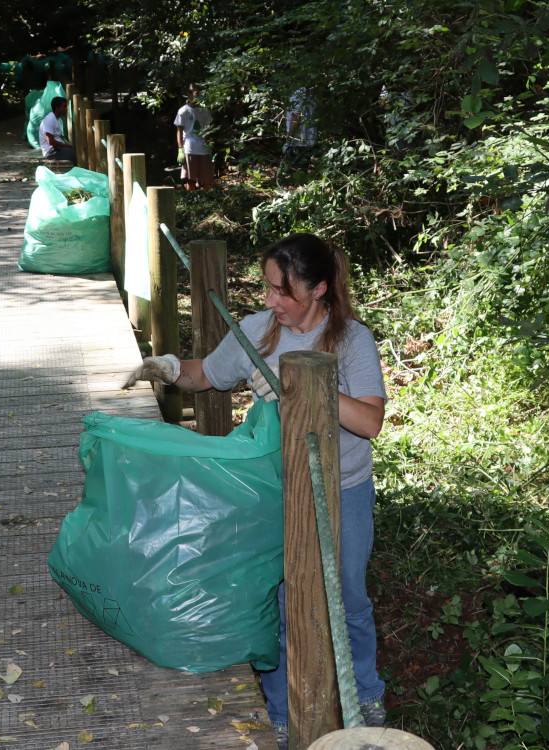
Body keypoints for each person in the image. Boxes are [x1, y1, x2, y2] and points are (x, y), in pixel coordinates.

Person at [123, 233, 387, 750]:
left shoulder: (353, 340)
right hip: (274, 490)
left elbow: (371, 421)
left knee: (349, 597)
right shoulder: (257, 332)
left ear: (319, 290)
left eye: (281, 292)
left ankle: (366, 696)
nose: (270, 301)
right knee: (280, 597)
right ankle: (282, 706)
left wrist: (303, 388)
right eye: (267, 288)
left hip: (344, 489)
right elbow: (208, 375)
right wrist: (171, 369)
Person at [174, 86, 214, 190]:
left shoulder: (205, 111)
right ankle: (191, 200)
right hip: (190, 148)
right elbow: (179, 131)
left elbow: (208, 130)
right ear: (190, 94)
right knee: (190, 180)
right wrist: (180, 149)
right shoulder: (183, 111)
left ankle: (204, 201)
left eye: (200, 94)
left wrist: (210, 146)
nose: (199, 96)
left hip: (204, 149)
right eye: (196, 93)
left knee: (207, 180)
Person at [282, 87, 316, 173]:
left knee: (297, 173)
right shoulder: (312, 93)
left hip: (297, 141)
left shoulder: (297, 95)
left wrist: (288, 140)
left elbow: (295, 119)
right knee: (301, 172)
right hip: (310, 139)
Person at [38, 96, 75, 163]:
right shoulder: (49, 119)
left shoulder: (56, 119)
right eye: (64, 106)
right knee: (76, 154)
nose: (66, 109)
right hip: (51, 151)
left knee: (77, 152)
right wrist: (69, 146)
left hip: (57, 149)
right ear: (57, 108)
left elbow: (59, 137)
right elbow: (51, 142)